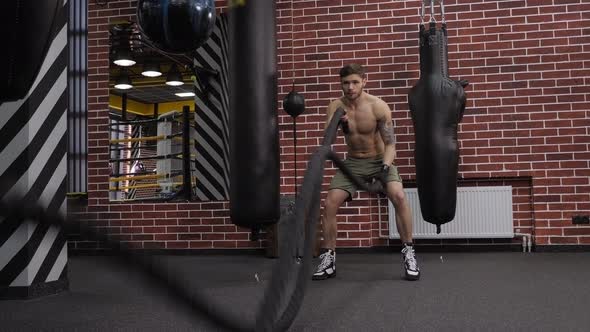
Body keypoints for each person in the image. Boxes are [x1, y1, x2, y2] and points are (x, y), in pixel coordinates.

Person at [312, 63, 420, 281]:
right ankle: (328, 258)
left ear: (364, 82)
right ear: (340, 84)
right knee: (330, 202)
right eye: (345, 83)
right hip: (352, 163)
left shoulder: (378, 107)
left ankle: (409, 252)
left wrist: (386, 167)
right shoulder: (335, 106)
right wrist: (339, 125)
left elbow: (390, 144)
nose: (350, 87)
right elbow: (327, 142)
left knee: (399, 196)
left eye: (355, 82)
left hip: (380, 160)